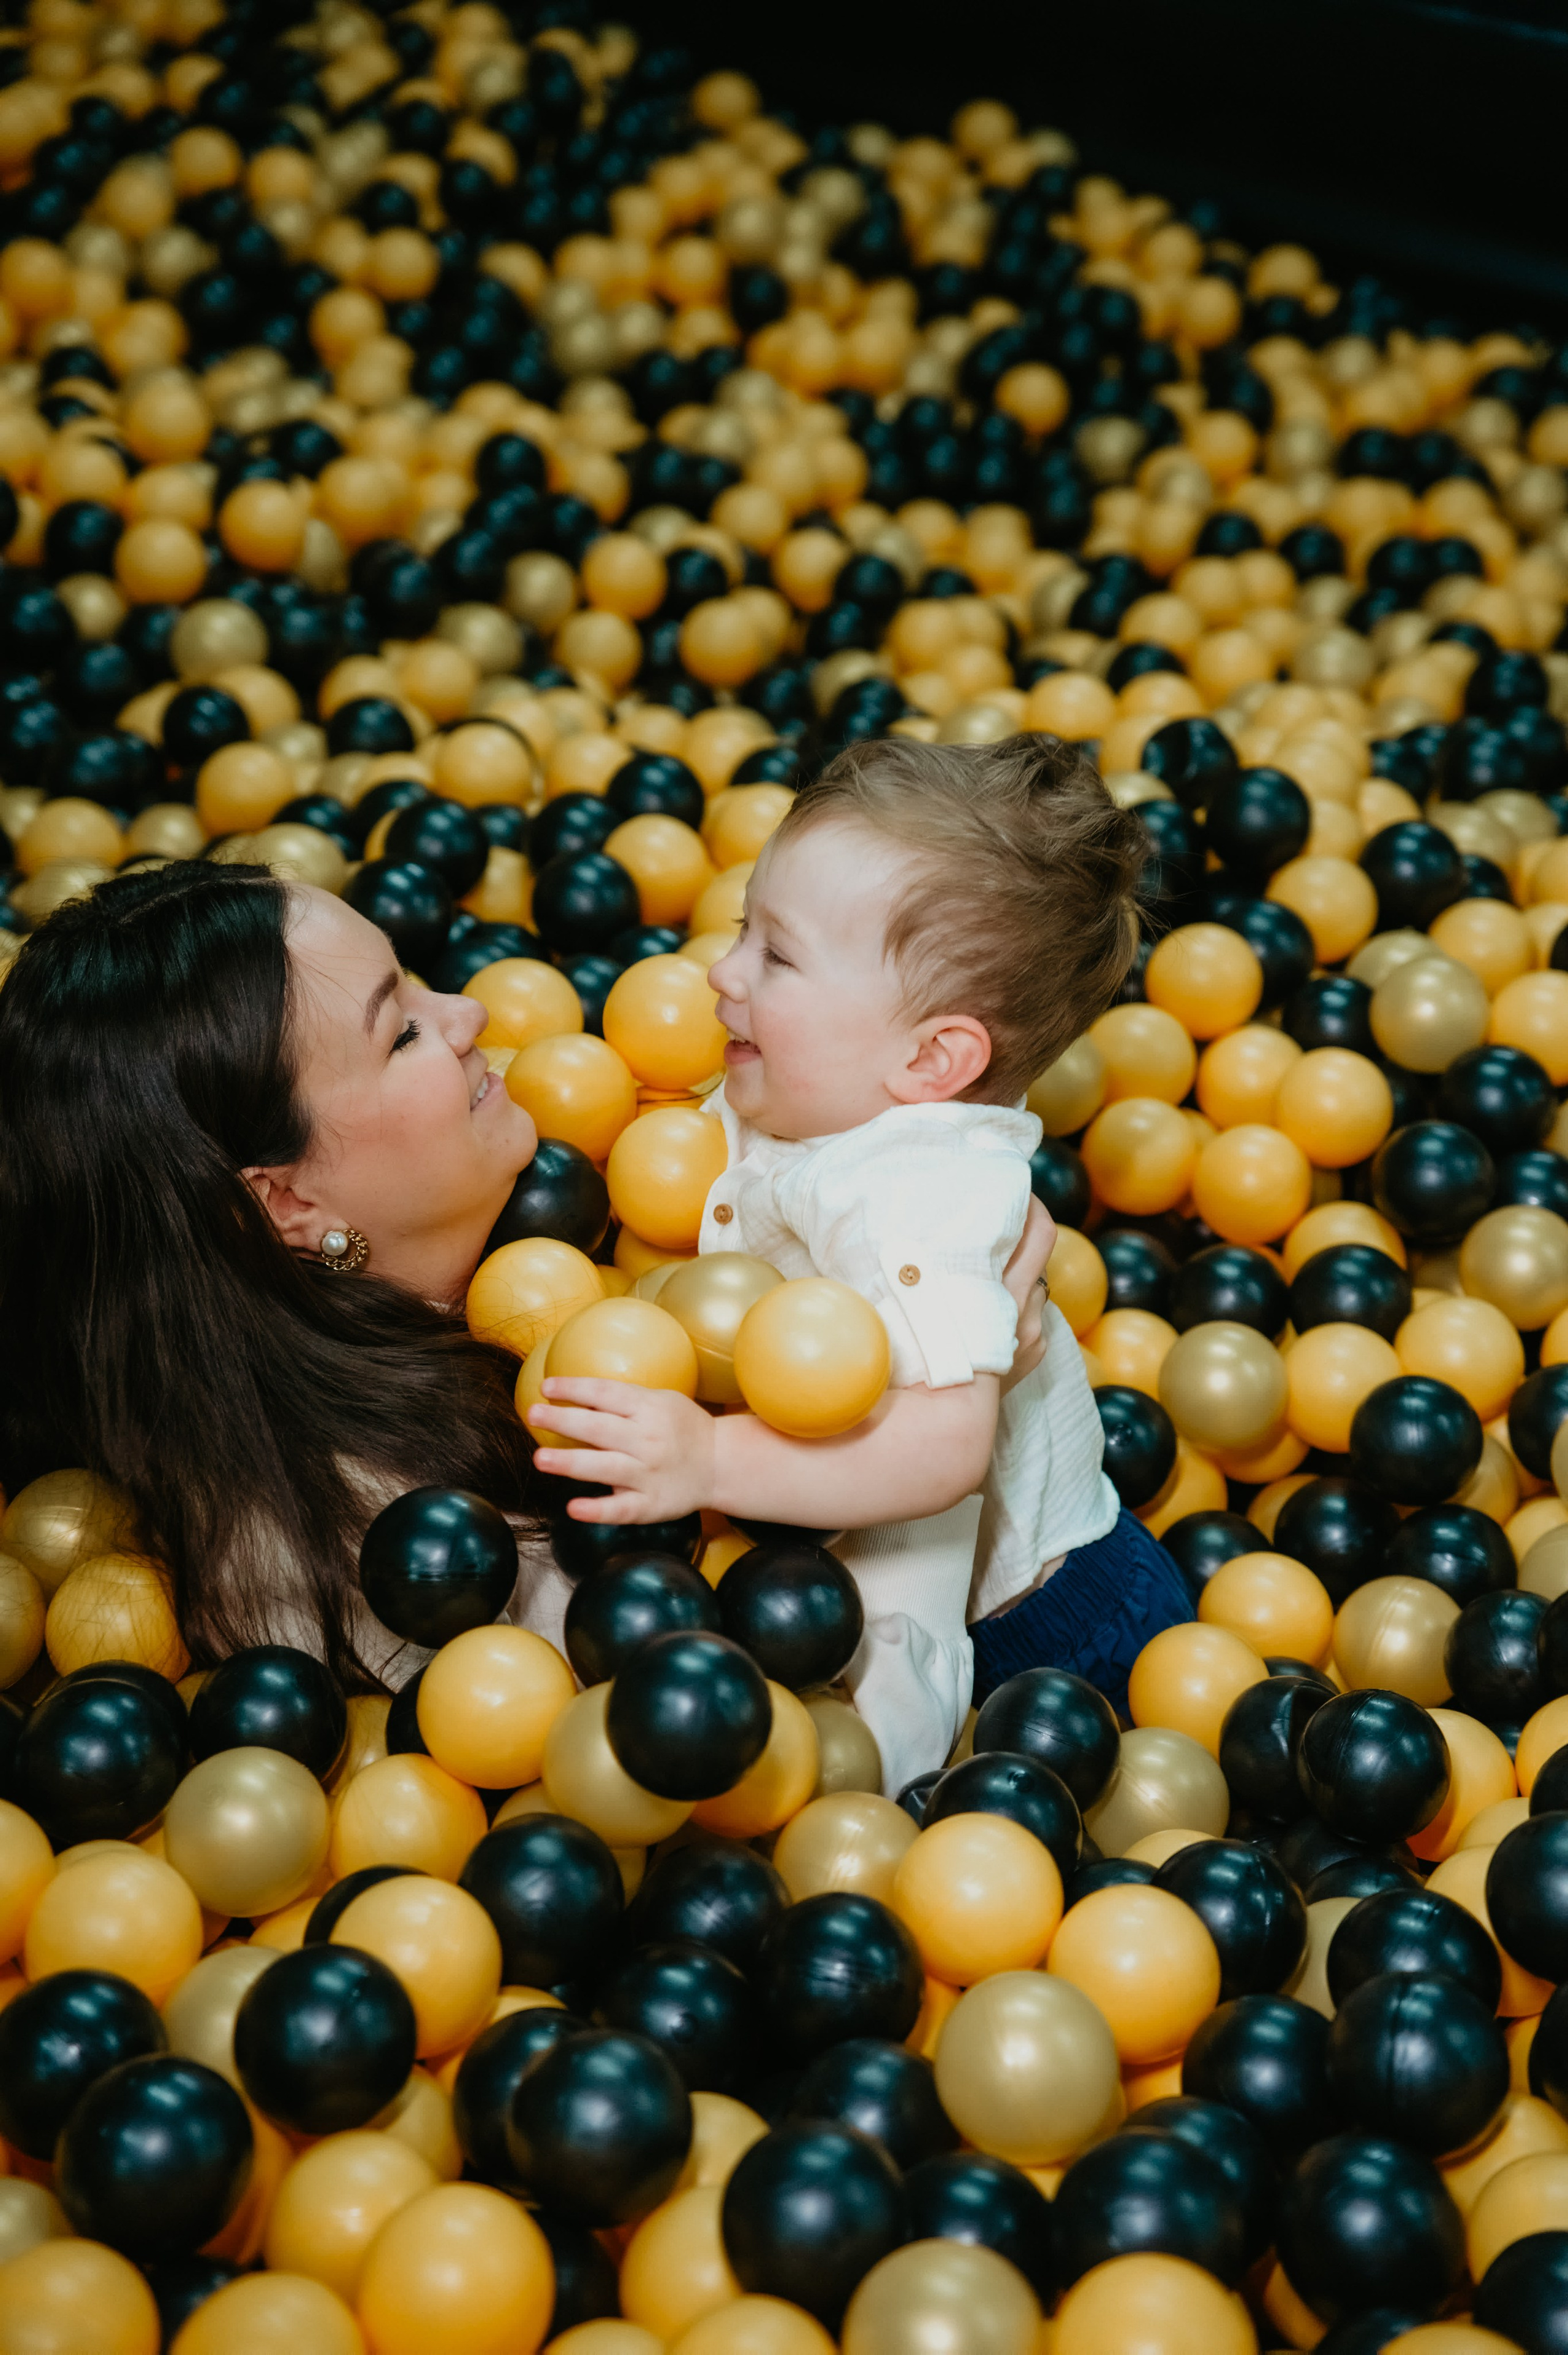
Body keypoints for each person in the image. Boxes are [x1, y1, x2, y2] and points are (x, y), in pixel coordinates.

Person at [529, 735, 1196, 1794]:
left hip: (1049, 1634)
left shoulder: (919, 1193)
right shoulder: (818, 1087)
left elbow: (939, 1454)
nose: (723, 970)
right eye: (745, 926)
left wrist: (709, 1463)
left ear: (932, 1060)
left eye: (776, 957)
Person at [0, 858, 552, 1688]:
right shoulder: (399, 1549)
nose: (470, 1012)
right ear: (284, 1203)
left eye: (414, 983)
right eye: (400, 1033)